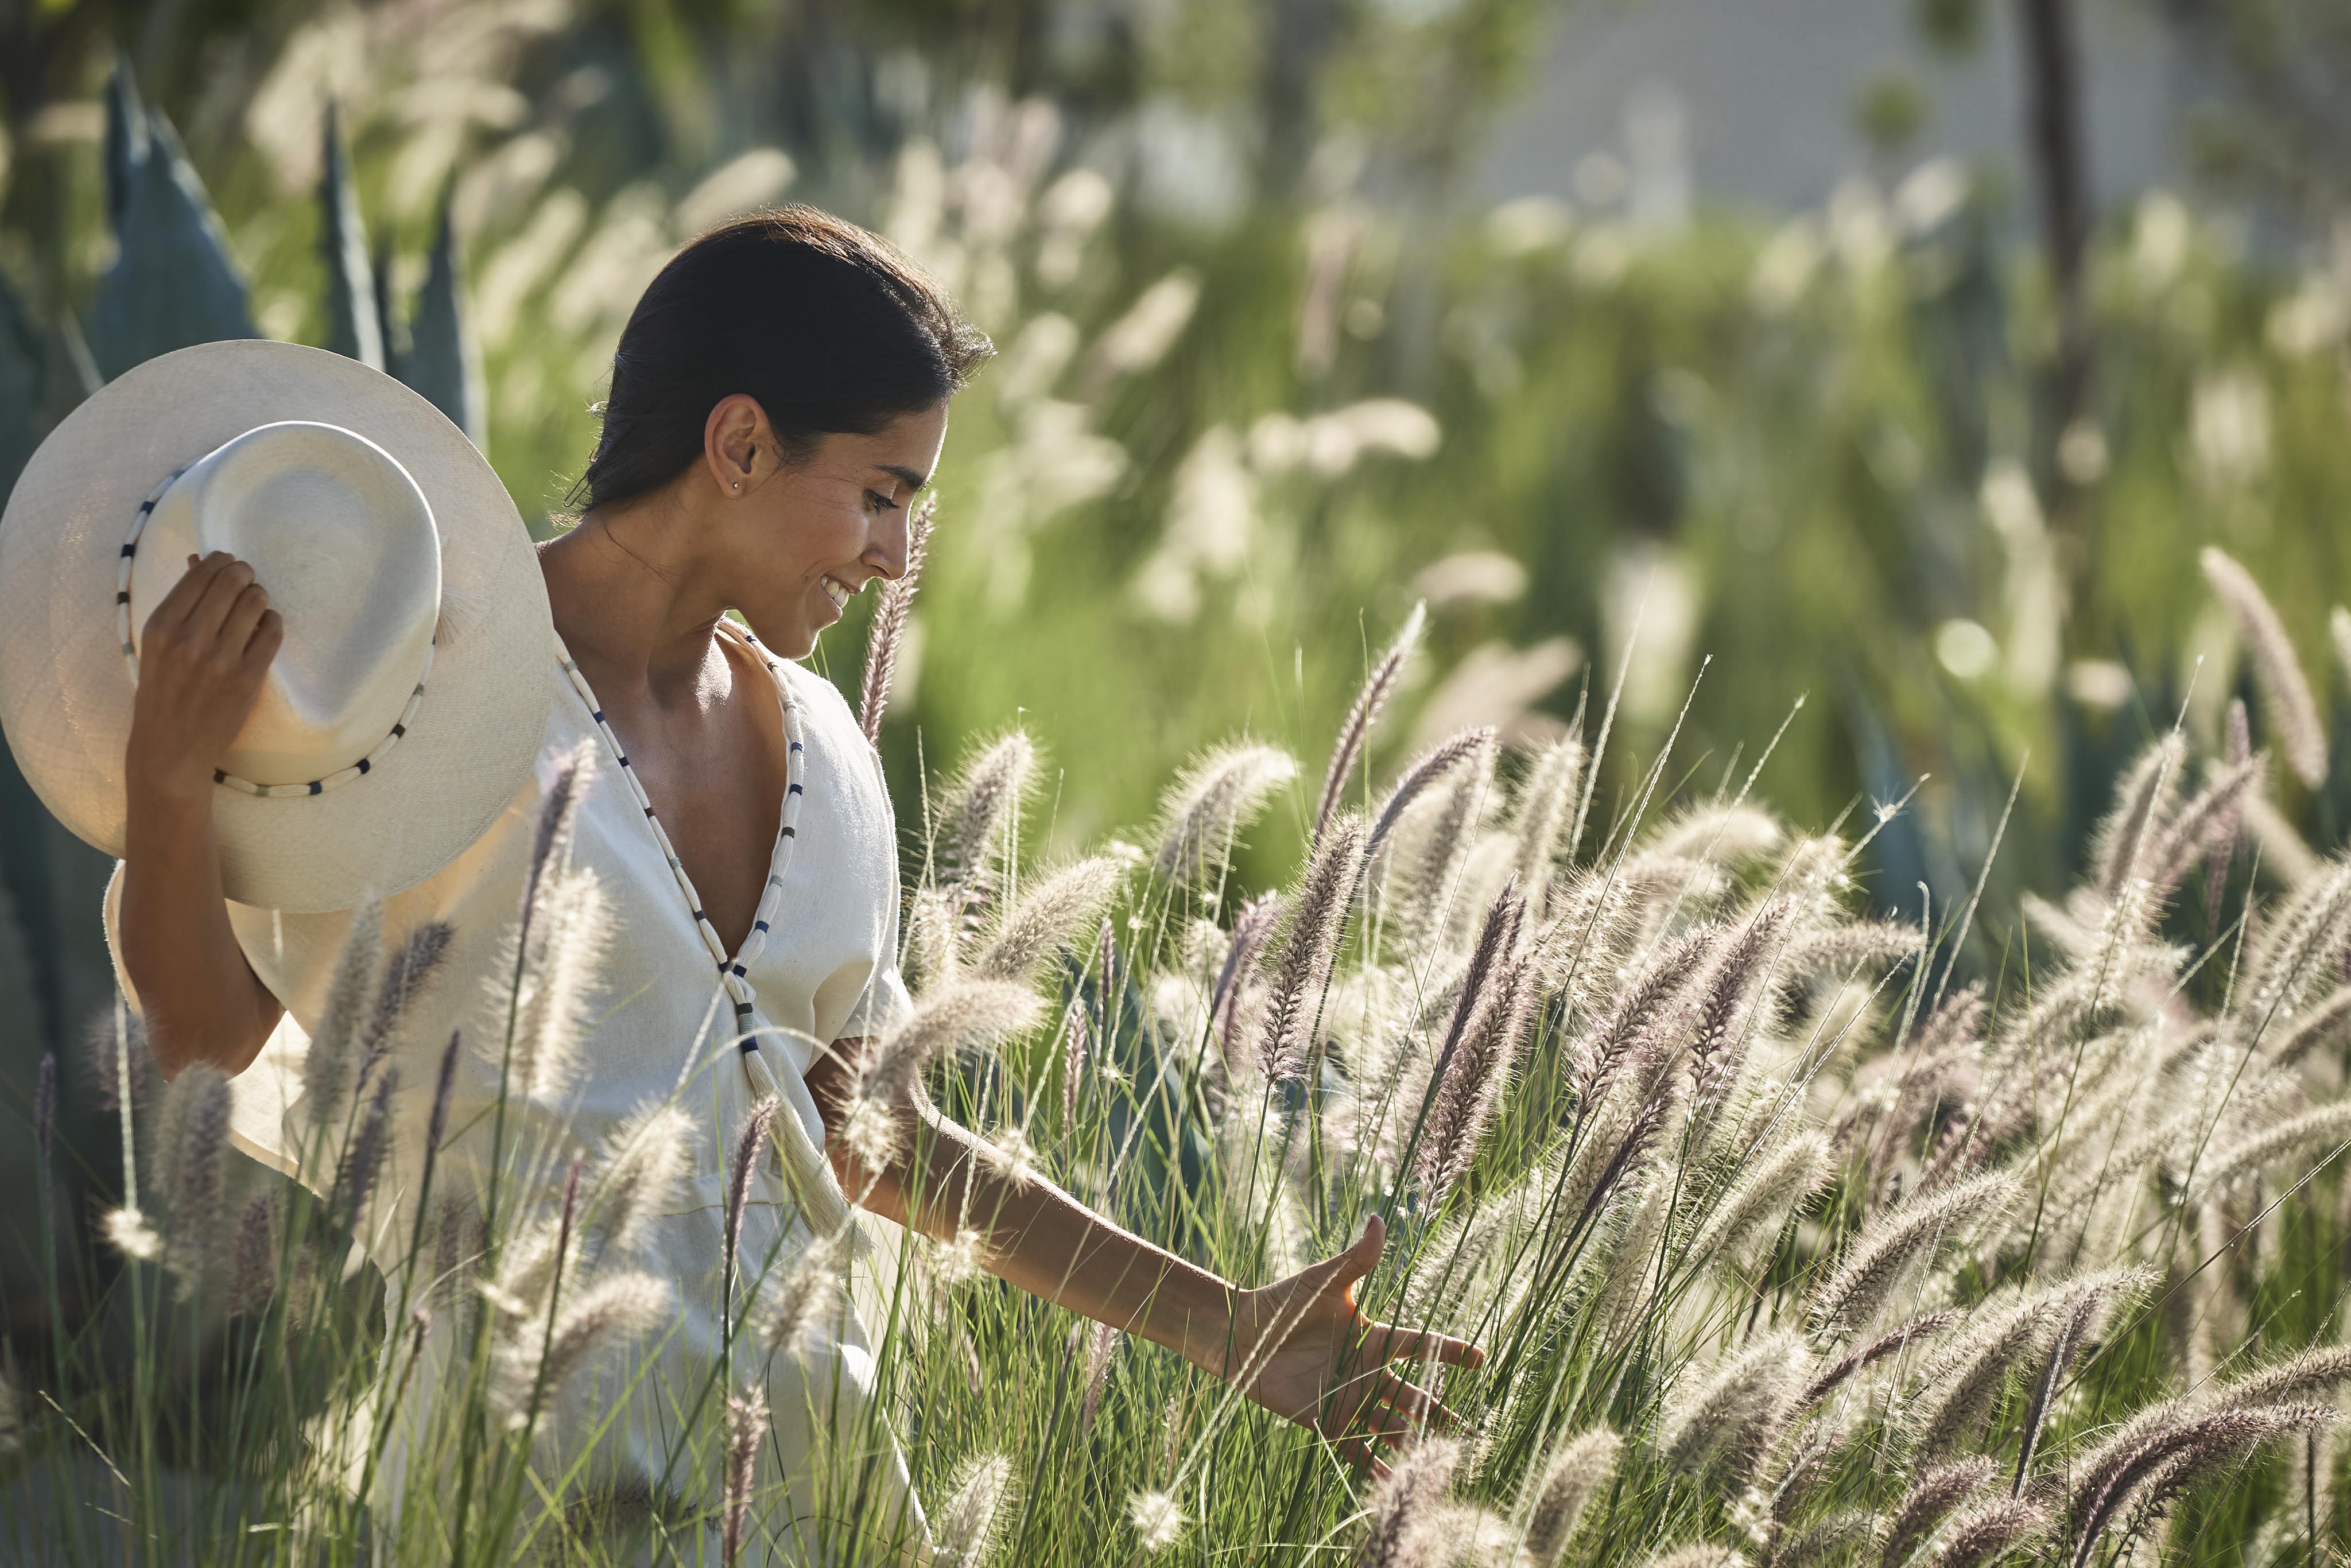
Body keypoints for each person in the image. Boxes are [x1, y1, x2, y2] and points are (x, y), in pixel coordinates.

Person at [96, 207, 1479, 1560]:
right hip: (518, 1505)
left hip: (816, 1499)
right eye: (879, 495)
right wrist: (167, 783)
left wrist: (1222, 1321)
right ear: (740, 443)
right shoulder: (422, 696)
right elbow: (207, 1039)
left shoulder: (830, 749)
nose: (895, 558)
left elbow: (872, 1131)